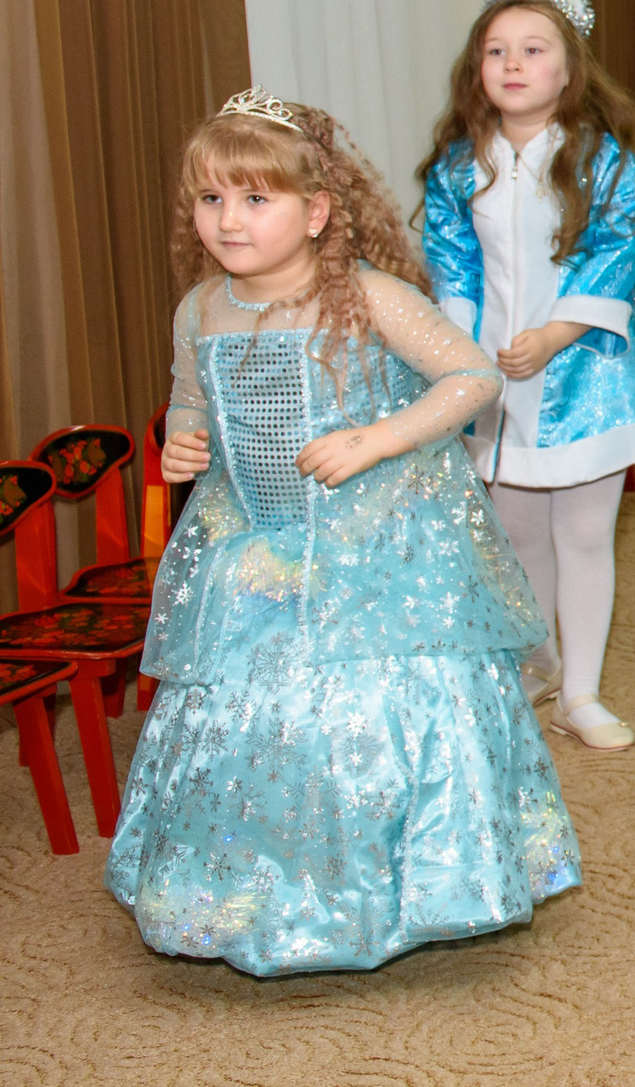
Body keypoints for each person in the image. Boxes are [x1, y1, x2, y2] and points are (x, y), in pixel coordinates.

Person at [108, 89, 579, 975]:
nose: (229, 220)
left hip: (372, 546)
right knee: (246, 721)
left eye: (256, 199)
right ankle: (250, 895)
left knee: (369, 717)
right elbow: (191, 398)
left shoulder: (368, 298)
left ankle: (398, 887)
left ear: (316, 210)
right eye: (211, 200)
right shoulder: (201, 309)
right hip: (252, 548)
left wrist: (379, 436)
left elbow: (470, 378)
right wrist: (181, 437)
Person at [419, 0, 635, 751]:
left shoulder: (605, 159)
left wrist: (556, 335)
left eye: (533, 48)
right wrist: (460, 358)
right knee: (520, 535)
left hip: (587, 373)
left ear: (569, 67)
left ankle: (585, 692)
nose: (513, 63)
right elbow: (452, 265)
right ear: (478, 69)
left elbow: (611, 256)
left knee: (586, 534)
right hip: (495, 383)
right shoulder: (459, 165)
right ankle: (544, 661)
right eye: (497, 50)